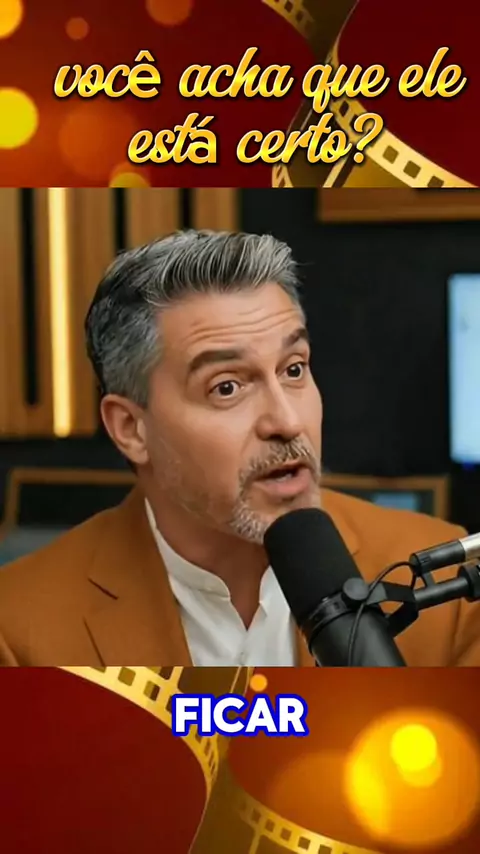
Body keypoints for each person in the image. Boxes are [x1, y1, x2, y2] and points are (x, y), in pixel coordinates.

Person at [0, 229, 479, 667]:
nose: (287, 422)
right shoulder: (19, 632)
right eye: (227, 387)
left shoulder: (447, 589)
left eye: (294, 369)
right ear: (131, 429)